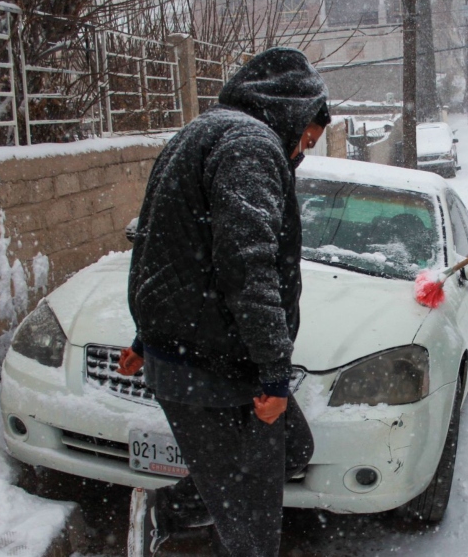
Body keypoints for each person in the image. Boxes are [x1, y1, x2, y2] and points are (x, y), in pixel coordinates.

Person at [121, 47, 331, 557]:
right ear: (290, 110)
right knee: (254, 531)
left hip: (199, 352)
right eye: (306, 137)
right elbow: (247, 267)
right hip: (213, 367)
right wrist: (275, 376)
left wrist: (144, 339)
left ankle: (168, 509)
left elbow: (169, 249)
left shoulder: (204, 131)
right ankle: (176, 513)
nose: (302, 151)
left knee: (294, 448)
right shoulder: (249, 146)